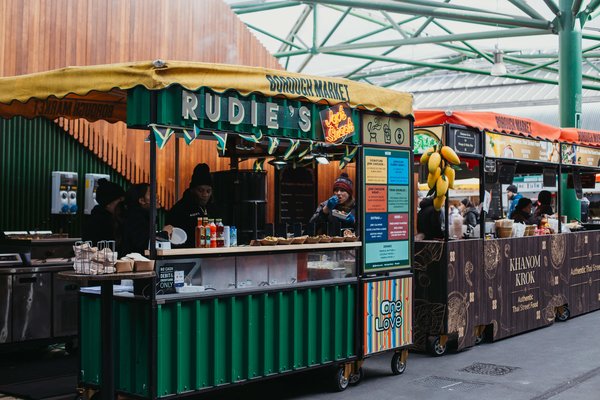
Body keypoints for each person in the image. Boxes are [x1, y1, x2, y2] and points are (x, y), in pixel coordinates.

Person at [166, 163, 220, 247]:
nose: (205, 194)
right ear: (192, 190)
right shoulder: (180, 209)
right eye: (201, 191)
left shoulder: (214, 208)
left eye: (208, 191)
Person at [82, 178, 125, 248]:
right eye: (120, 199)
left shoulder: (95, 217)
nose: (123, 203)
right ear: (108, 203)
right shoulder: (98, 222)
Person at [121, 183, 152, 255]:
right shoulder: (135, 218)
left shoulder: (145, 216)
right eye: (151, 193)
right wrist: (164, 233)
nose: (156, 196)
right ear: (142, 200)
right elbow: (143, 244)